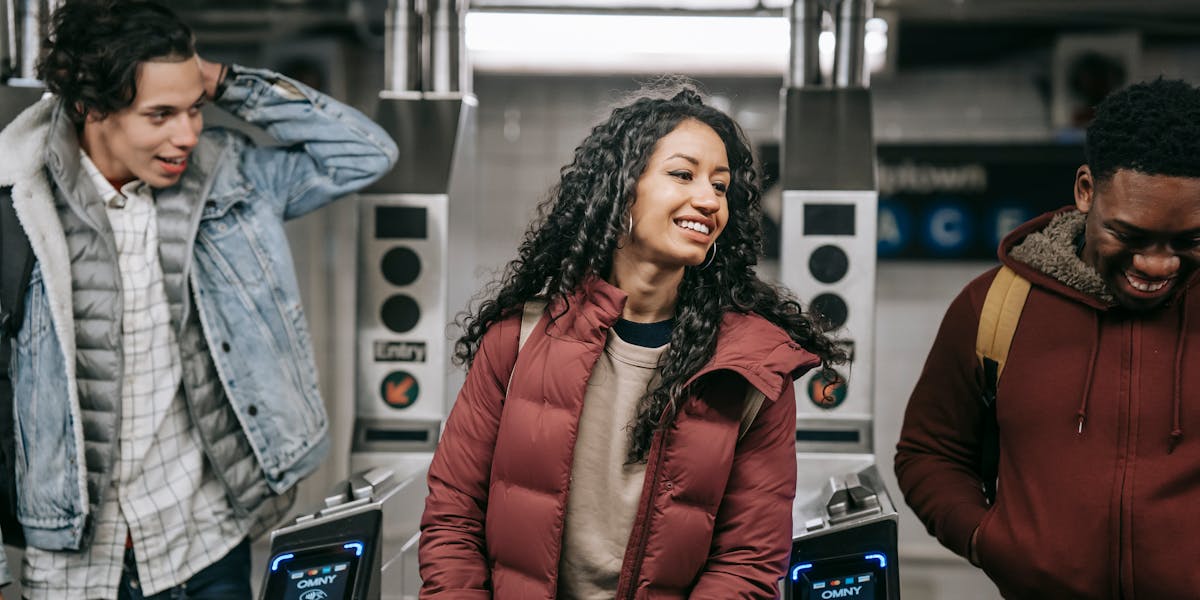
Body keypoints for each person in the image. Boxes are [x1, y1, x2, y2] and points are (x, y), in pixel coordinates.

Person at [0, 1, 397, 598]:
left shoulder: (228, 177)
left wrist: (220, 80)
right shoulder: (16, 212)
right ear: (90, 107)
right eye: (160, 114)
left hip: (205, 548)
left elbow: (365, 153)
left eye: (194, 109)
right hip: (72, 569)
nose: (186, 134)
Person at [418, 85, 846, 598]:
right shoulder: (518, 339)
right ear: (621, 191)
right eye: (683, 175)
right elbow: (453, 518)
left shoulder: (752, 369)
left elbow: (748, 562)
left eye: (721, 185)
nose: (708, 199)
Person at [895, 78, 1200, 598]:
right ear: (1086, 191)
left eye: (1188, 240)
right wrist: (989, 541)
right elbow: (930, 452)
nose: (1157, 263)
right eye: (1129, 235)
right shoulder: (994, 307)